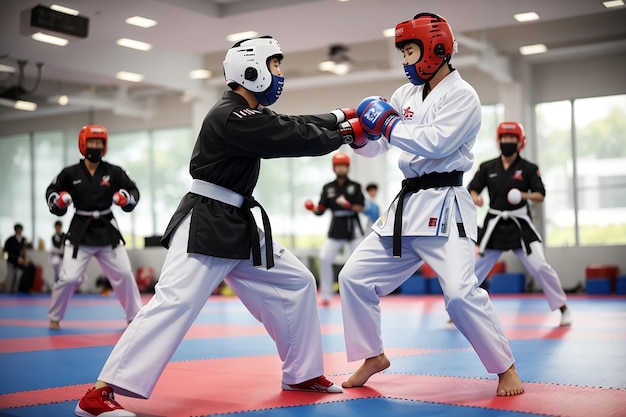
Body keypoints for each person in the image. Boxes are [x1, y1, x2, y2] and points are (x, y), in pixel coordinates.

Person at [75, 36, 371, 417]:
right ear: (252, 70)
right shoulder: (230, 115)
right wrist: (348, 133)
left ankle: (301, 373)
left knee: (297, 282)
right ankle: (98, 395)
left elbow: (290, 123)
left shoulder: (248, 112)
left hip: (236, 222)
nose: (280, 75)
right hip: (208, 221)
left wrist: (339, 115)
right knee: (174, 302)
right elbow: (290, 136)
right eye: (275, 66)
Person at [338, 13, 524, 396]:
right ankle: (372, 355)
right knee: (353, 277)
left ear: (435, 49)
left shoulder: (463, 96)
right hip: (406, 208)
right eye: (403, 52)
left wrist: (386, 124)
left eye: (410, 51)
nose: (406, 60)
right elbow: (380, 147)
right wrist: (357, 134)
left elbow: (435, 143)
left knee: (459, 294)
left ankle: (505, 367)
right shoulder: (403, 95)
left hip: (445, 207)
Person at [468, 121, 571, 326]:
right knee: (474, 272)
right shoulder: (487, 167)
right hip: (494, 225)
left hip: (520, 225)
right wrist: (476, 198)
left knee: (541, 267)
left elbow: (540, 195)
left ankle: (564, 309)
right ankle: (458, 313)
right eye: (505, 139)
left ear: (520, 142)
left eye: (512, 139)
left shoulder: (529, 169)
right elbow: (473, 189)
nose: (508, 142)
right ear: (499, 141)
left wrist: (522, 194)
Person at [45, 125, 143, 331]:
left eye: (100, 143)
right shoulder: (70, 173)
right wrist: (58, 201)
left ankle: (134, 317)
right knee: (69, 278)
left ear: (105, 146)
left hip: (107, 230)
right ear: (83, 144)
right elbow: (52, 191)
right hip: (81, 231)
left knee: (125, 274)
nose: (96, 147)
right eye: (92, 142)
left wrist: (126, 198)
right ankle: (54, 316)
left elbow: (133, 189)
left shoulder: (114, 172)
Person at [305, 152, 365, 305]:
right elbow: (321, 209)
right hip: (336, 226)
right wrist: (313, 209)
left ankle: (360, 292)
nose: (341, 169)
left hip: (353, 227)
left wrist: (348, 205)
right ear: (334, 168)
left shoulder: (355, 186)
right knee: (324, 257)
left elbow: (361, 207)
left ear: (347, 167)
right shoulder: (328, 188)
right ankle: (326, 295)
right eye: (338, 166)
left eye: (343, 166)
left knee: (360, 261)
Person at [3, 223, 36, 293]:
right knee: (10, 278)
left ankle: (16, 291)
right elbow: (5, 253)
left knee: (18, 277)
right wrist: (16, 258)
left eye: (20, 230)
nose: (19, 231)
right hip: (11, 262)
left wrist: (23, 259)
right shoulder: (10, 240)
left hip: (20, 263)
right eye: (17, 230)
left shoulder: (24, 240)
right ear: (15, 230)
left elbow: (27, 249)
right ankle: (7, 293)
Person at [48, 220, 66, 287]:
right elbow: (56, 246)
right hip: (56, 256)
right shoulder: (54, 237)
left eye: (59, 227)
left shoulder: (64, 236)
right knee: (57, 268)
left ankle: (61, 285)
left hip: (64, 257)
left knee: (63, 272)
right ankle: (57, 284)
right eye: (56, 227)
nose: (58, 229)